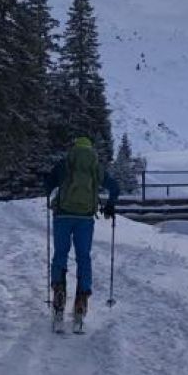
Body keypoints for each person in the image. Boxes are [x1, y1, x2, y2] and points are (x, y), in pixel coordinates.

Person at [45, 137, 120, 327]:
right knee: (83, 257)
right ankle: (81, 300)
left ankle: (59, 292)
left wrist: (50, 194)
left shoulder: (65, 163)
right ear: (90, 149)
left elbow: (47, 184)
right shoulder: (95, 166)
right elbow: (115, 187)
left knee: (60, 254)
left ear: (74, 148)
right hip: (85, 218)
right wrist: (110, 205)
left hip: (62, 216)